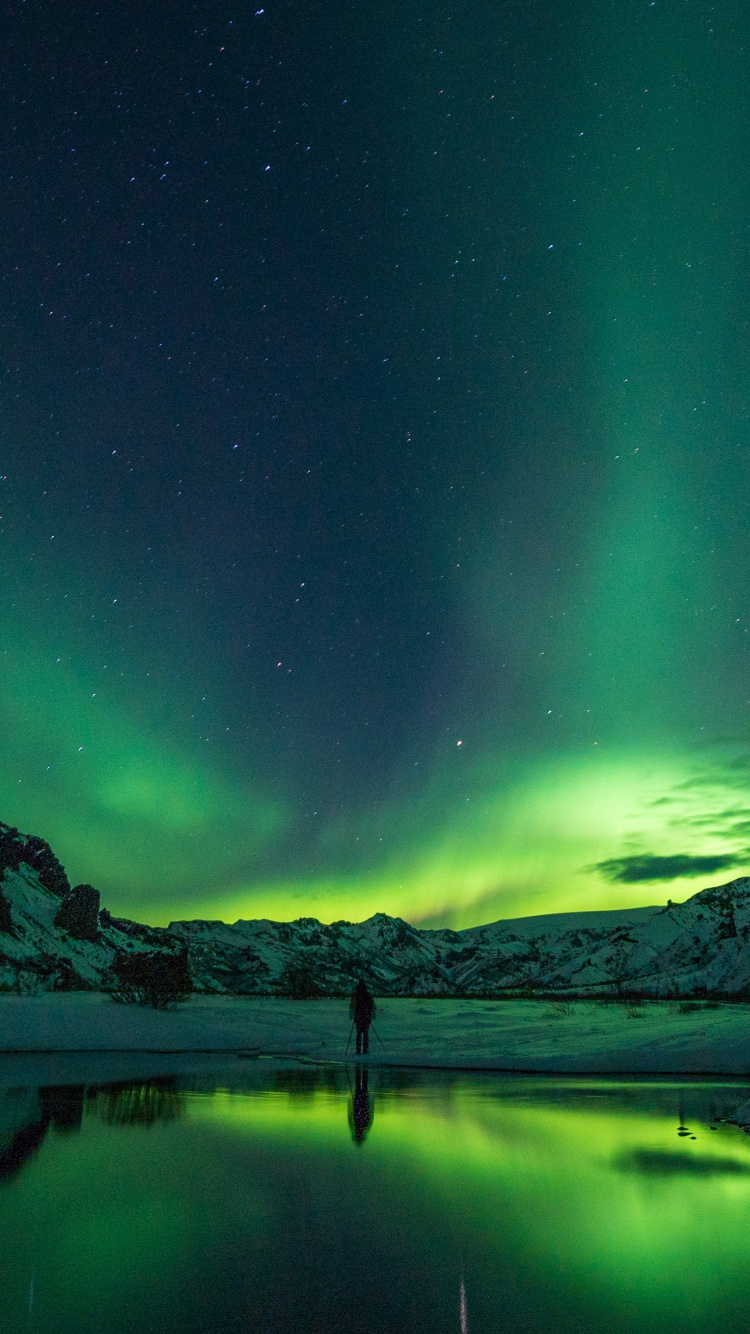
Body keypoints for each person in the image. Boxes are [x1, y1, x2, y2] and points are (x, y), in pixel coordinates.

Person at [349, 979, 375, 1055]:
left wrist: (352, 1016)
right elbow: (372, 1006)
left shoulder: (356, 995)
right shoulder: (368, 995)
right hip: (366, 1016)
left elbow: (352, 1006)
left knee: (359, 1033)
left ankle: (358, 1049)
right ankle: (365, 1050)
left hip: (358, 1016)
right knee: (365, 1033)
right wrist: (371, 1016)